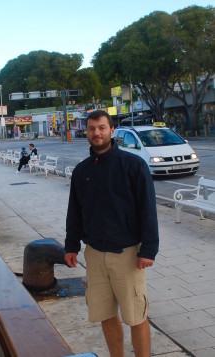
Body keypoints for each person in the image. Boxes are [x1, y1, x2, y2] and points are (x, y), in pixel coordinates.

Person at [64, 110, 159, 357]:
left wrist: (148, 249)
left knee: (136, 316)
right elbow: (74, 211)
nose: (97, 133)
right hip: (94, 255)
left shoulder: (133, 165)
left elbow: (148, 210)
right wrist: (71, 246)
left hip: (127, 255)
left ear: (112, 130)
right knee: (105, 314)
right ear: (86, 132)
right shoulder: (82, 170)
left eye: (102, 128)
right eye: (92, 128)